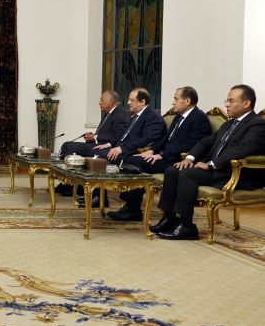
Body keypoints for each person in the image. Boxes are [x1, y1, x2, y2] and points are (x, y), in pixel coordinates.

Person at [153, 85, 265, 240]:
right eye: (227, 101)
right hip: (218, 170)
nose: (227, 105)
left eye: (231, 101)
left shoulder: (257, 124)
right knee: (173, 170)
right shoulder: (229, 124)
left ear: (246, 103)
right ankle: (169, 218)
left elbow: (242, 150)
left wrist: (211, 164)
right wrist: (190, 158)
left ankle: (187, 226)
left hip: (234, 174)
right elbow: (205, 142)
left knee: (187, 174)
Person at [106, 86, 211, 221]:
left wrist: (161, 155)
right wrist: (152, 150)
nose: (173, 102)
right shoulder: (179, 117)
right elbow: (165, 139)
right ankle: (130, 207)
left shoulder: (199, 118)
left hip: (177, 160)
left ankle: (133, 209)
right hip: (166, 156)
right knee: (132, 159)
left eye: (176, 99)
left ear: (187, 101)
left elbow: (190, 145)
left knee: (135, 162)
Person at [83, 87, 166, 208]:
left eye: (132, 100)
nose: (128, 103)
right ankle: (97, 196)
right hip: (124, 149)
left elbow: (146, 140)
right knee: (96, 151)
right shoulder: (137, 115)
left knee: (99, 156)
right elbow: (124, 136)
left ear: (142, 102)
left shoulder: (153, 117)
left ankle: (104, 199)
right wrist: (110, 145)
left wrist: (122, 149)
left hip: (133, 152)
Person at [59, 90, 130, 158]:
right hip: (97, 144)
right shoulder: (107, 113)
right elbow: (104, 134)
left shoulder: (121, 114)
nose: (99, 103)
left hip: (106, 147)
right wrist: (92, 137)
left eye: (102, 100)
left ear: (111, 101)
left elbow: (117, 136)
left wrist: (95, 137)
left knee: (70, 146)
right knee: (66, 144)